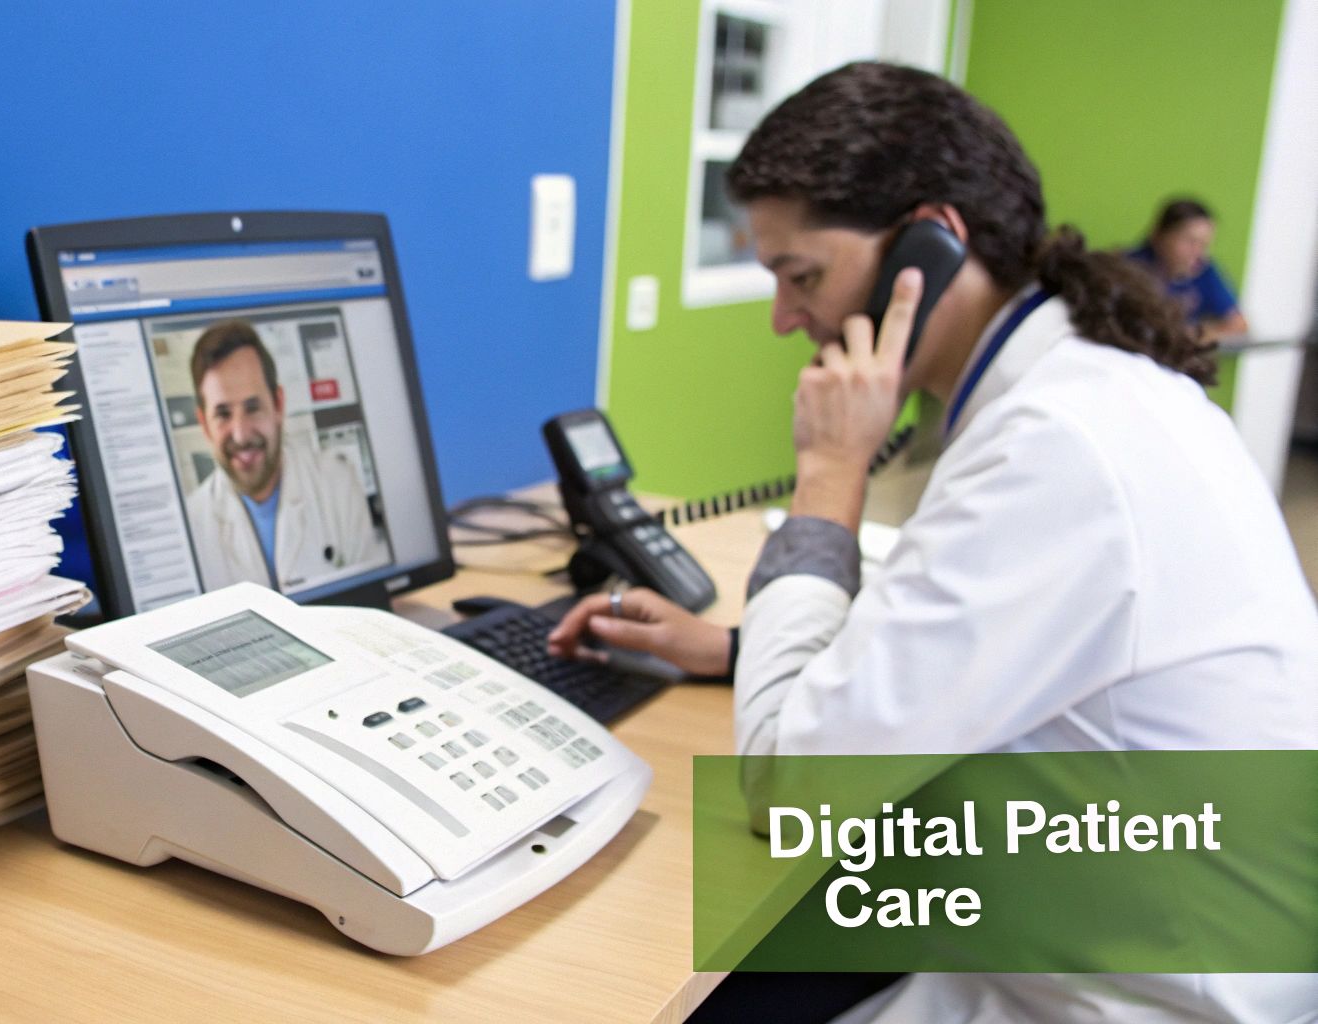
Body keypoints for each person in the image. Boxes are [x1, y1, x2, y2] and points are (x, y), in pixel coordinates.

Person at [548, 62, 1317, 1022]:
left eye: (803, 276)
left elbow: (793, 794)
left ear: (932, 245)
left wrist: (831, 474)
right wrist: (739, 651)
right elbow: (979, 640)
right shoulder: (1084, 388)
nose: (788, 318)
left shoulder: (1057, 447)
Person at [183, 319, 384, 592]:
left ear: (278, 404)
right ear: (205, 424)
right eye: (223, 414)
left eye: (253, 408)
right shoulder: (191, 523)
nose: (241, 435)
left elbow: (369, 604)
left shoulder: (337, 482)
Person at [1128, 197, 1250, 342]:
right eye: (1190, 241)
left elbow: (1238, 324)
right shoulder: (1126, 267)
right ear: (1158, 235)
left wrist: (1194, 334)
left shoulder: (1205, 271)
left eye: (1204, 245)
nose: (1197, 253)